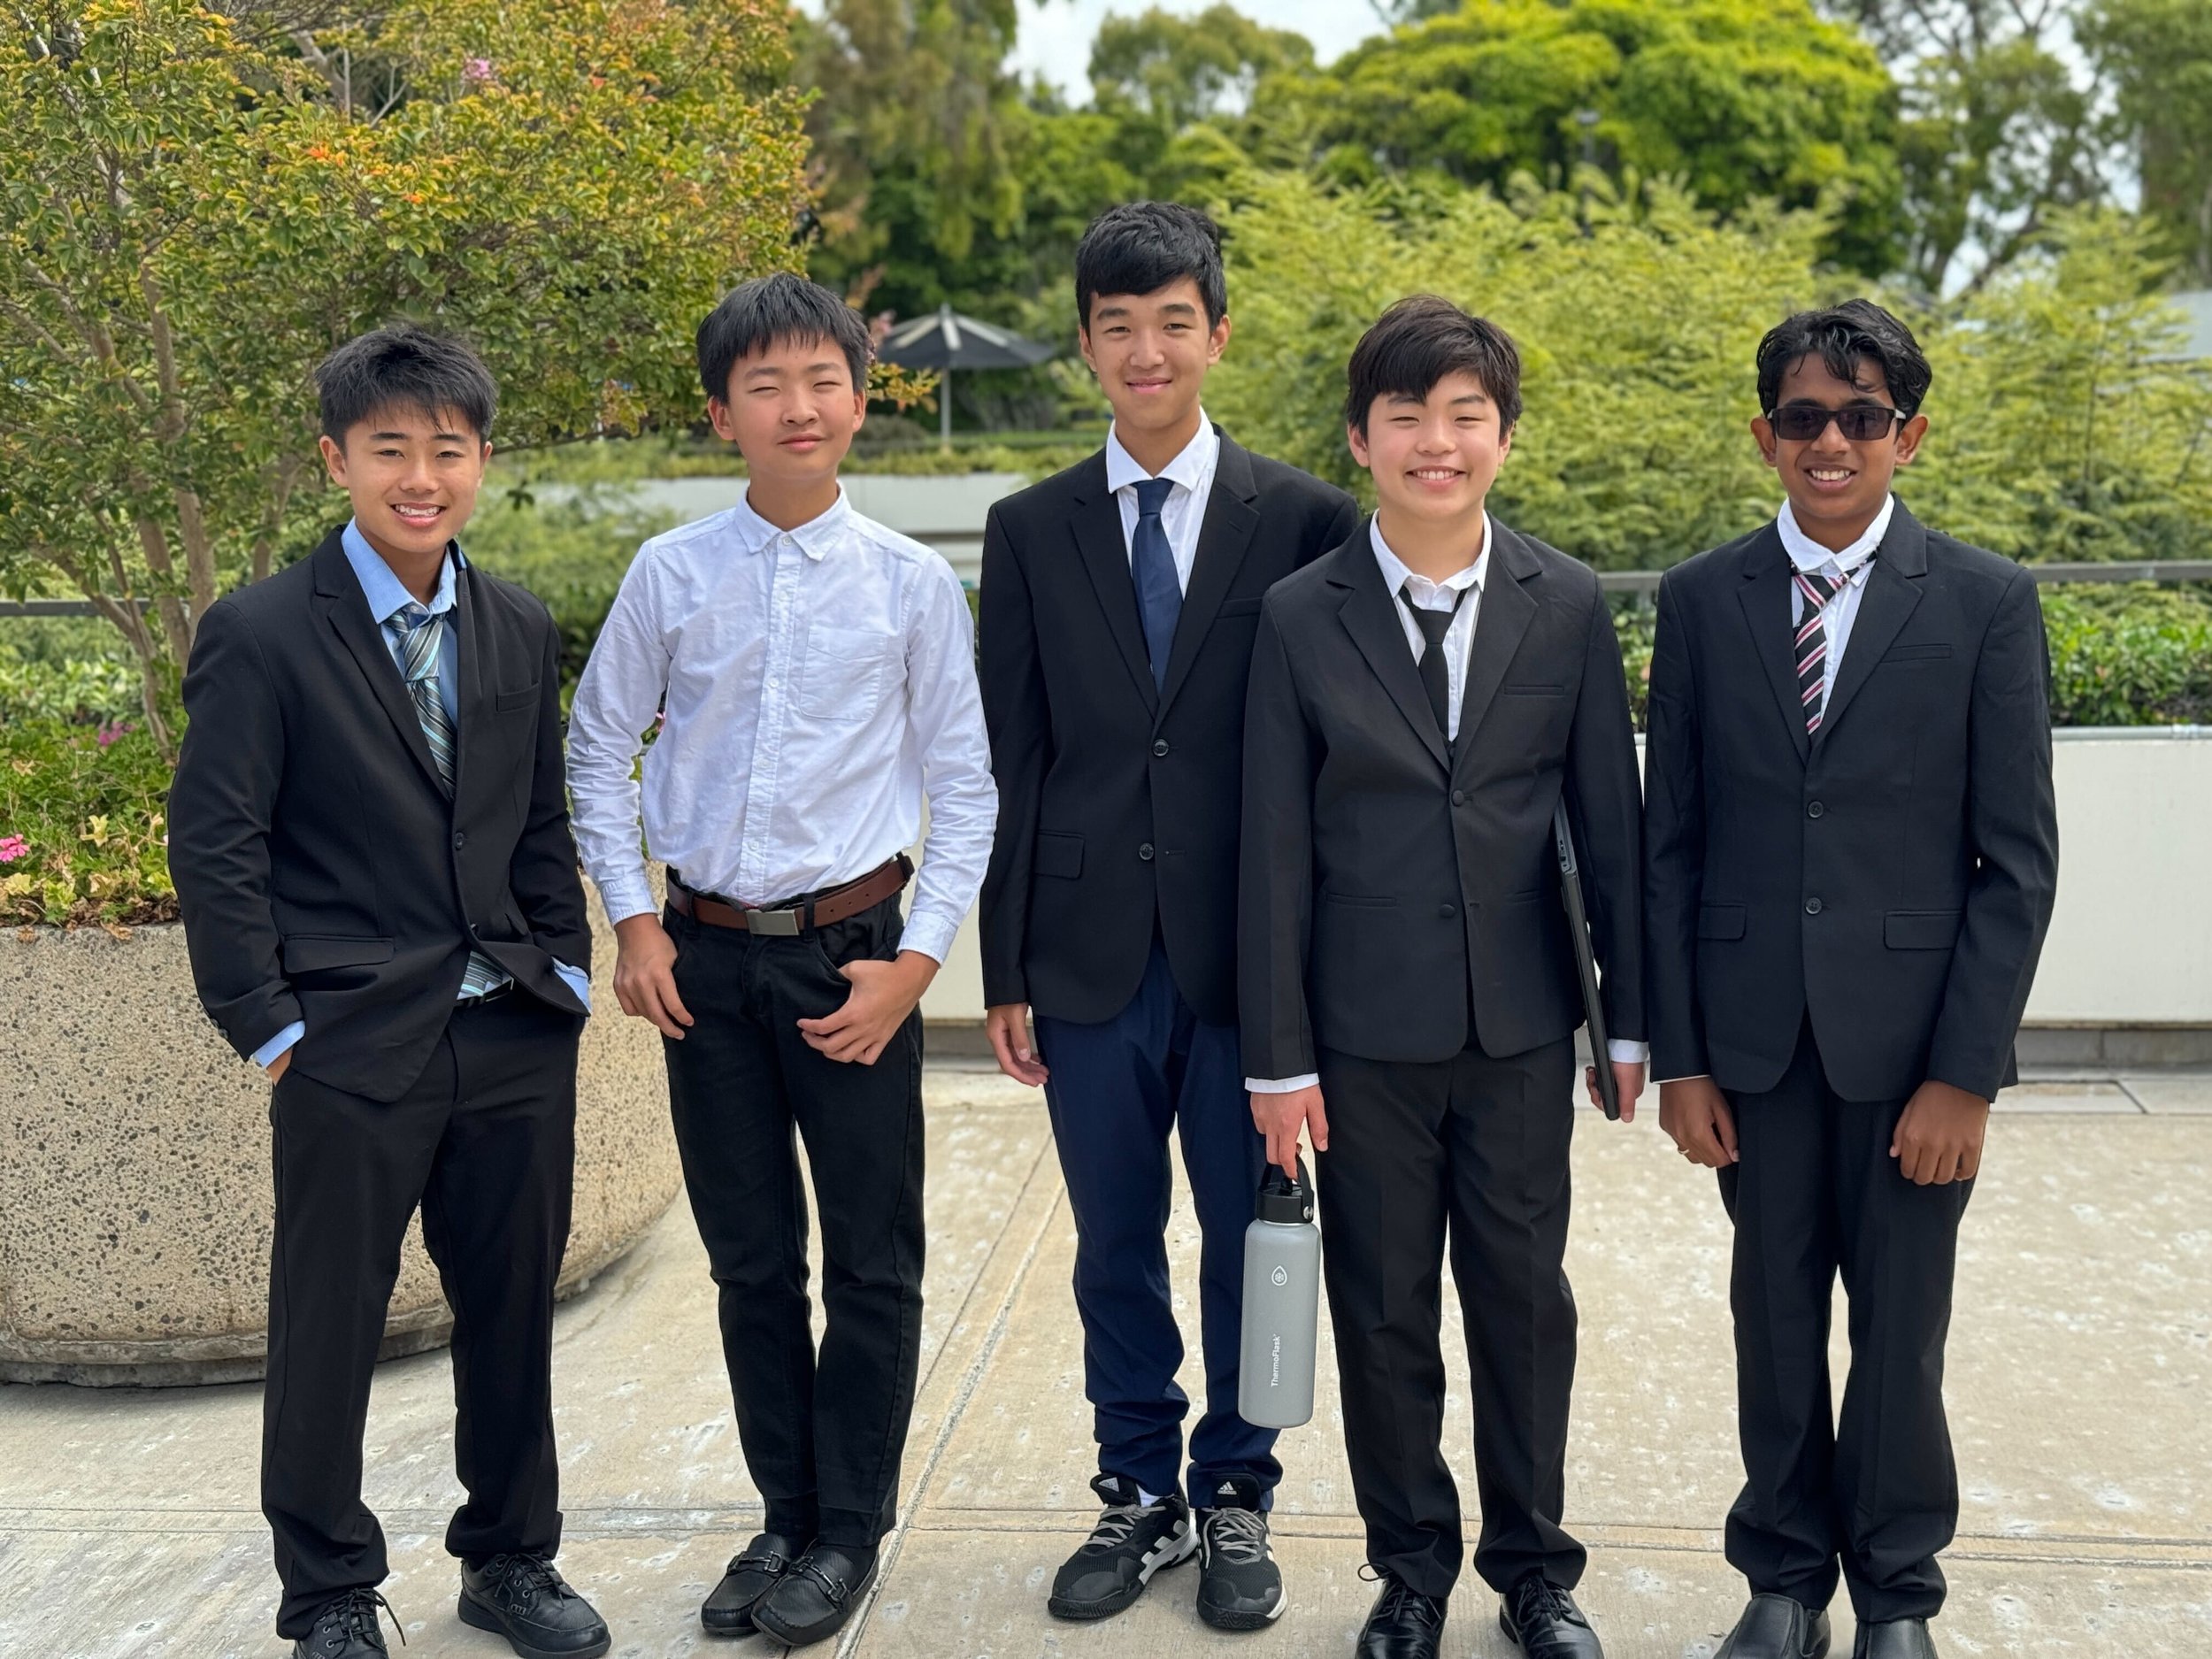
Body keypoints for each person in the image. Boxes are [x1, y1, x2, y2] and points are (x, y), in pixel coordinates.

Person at [565, 273, 995, 1648]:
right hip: (703, 963)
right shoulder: (671, 574)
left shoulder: (912, 583)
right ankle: (783, 1512)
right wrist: (634, 920)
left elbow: (967, 787)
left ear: (858, 403)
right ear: (721, 412)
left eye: (823, 380)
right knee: (751, 1261)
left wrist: (917, 966)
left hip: (852, 963)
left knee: (872, 1262)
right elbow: (595, 744)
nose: (799, 407)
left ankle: (848, 1533)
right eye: (767, 385)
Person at [168, 325, 609, 1659]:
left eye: (448, 449)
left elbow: (538, 820)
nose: (422, 477)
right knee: (329, 1319)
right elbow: (216, 839)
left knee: (511, 1314)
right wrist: (269, 1022)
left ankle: (511, 1561)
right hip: (350, 1041)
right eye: (390, 450)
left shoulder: (516, 622)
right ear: (337, 460)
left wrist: (565, 966)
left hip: (513, 1030)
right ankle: (327, 1592)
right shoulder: (260, 633)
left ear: (481, 457)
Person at [1642, 301, 2059, 1659]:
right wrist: (1685, 1056)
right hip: (1752, 1050)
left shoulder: (1987, 602)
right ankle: (1780, 1583)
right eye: (1806, 417)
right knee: (1772, 1318)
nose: (1834, 442)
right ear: (1765, 434)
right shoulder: (1704, 601)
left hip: (1912, 1059)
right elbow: (1674, 843)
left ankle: (1896, 1594)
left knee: (1899, 1336)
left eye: (1863, 417)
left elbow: (2018, 862)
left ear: (1909, 437)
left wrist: (1965, 1074)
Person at [1240, 296, 1647, 1659]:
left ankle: (1535, 1571)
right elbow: (1275, 851)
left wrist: (1629, 1022)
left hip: (1526, 1025)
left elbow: (1610, 826)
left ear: (1506, 439)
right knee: (1383, 1307)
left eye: (1466, 414)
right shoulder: (1299, 616)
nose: (1438, 441)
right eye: (1408, 415)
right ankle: (1409, 1570)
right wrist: (1279, 1058)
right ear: (1360, 440)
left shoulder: (1569, 601)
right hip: (1359, 1040)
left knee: (1528, 1306)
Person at [976, 202, 1357, 1631]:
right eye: (1119, 326)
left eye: (1173, 322)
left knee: (1252, 1233)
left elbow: (1328, 767)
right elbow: (1009, 755)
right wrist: (1003, 961)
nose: (1148, 350)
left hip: (1247, 964)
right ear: (1086, 346)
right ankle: (1135, 1489)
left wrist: (1308, 987)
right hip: (1080, 962)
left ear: (1217, 333)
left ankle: (1240, 1495)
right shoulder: (1028, 529)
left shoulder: (1308, 519)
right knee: (1113, 1240)